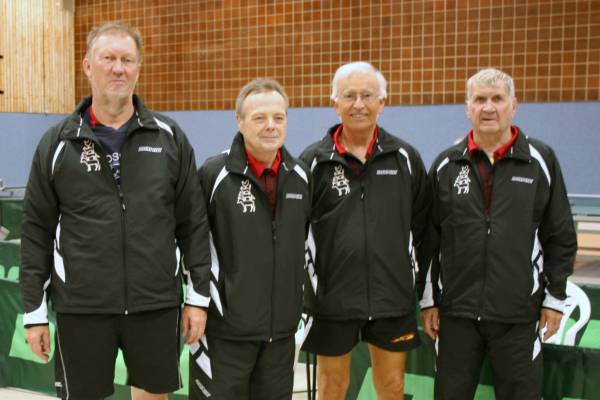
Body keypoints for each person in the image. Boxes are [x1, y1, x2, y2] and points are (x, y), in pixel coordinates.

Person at [19, 21, 211, 400]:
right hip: (82, 305)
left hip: (154, 302)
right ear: (88, 66)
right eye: (108, 59)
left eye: (127, 59)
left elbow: (193, 223)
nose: (118, 68)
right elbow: (35, 230)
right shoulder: (57, 143)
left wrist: (197, 298)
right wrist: (34, 313)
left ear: (138, 67)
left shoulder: (169, 137)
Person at [417, 68, 578, 400]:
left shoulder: (540, 161)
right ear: (467, 108)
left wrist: (554, 299)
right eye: (479, 100)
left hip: (518, 314)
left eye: (497, 99)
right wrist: (429, 299)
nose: (488, 108)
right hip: (457, 314)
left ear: (513, 106)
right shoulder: (447, 164)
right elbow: (429, 238)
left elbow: (559, 233)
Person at [300, 62, 430, 400]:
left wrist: (422, 289)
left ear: (382, 102)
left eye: (367, 95)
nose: (359, 104)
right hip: (332, 300)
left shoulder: (405, 158)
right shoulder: (313, 161)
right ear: (335, 103)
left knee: (391, 387)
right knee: (333, 386)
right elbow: (295, 233)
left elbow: (426, 228)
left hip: (392, 297)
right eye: (350, 96)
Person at [191, 78, 311, 399]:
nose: (270, 126)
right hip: (224, 333)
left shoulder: (301, 177)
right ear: (240, 121)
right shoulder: (213, 175)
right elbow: (194, 245)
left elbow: (308, 248)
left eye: (279, 117)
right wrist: (198, 303)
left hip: (281, 334)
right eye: (259, 117)